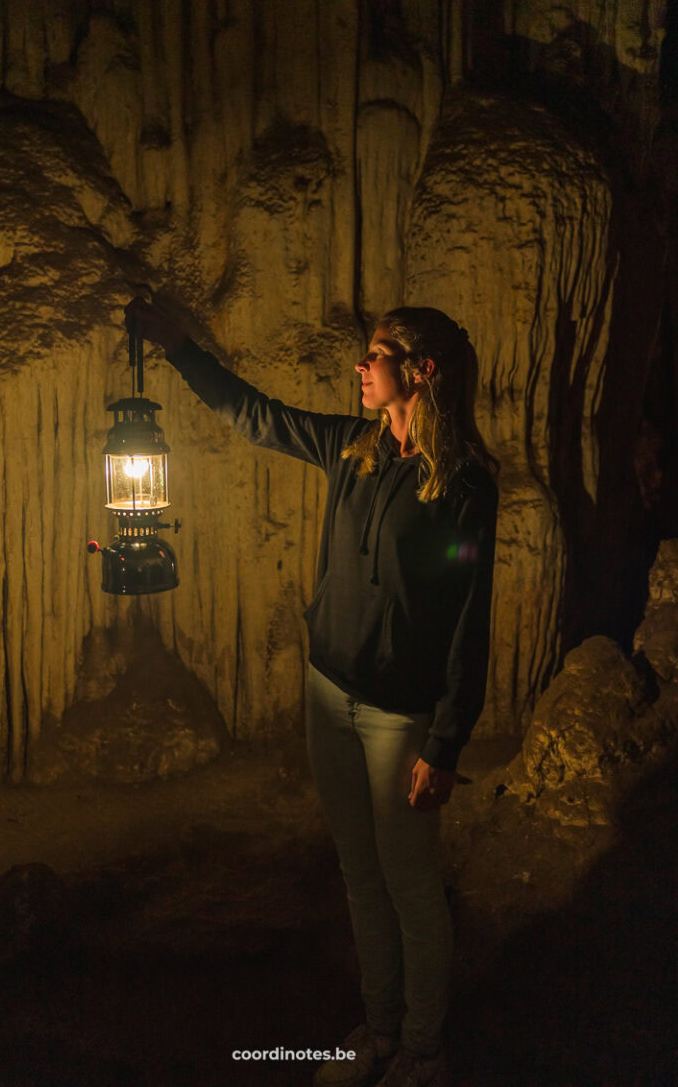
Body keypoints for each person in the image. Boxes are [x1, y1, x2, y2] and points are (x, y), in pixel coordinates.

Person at [125, 296, 499, 1087]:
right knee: (360, 876)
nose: (361, 368)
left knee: (410, 885)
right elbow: (256, 416)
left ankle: (426, 1055)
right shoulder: (355, 450)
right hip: (329, 691)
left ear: (420, 370)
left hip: (400, 714)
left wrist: (446, 742)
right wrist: (180, 350)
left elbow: (471, 619)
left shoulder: (464, 485)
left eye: (376, 355)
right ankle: (383, 1030)